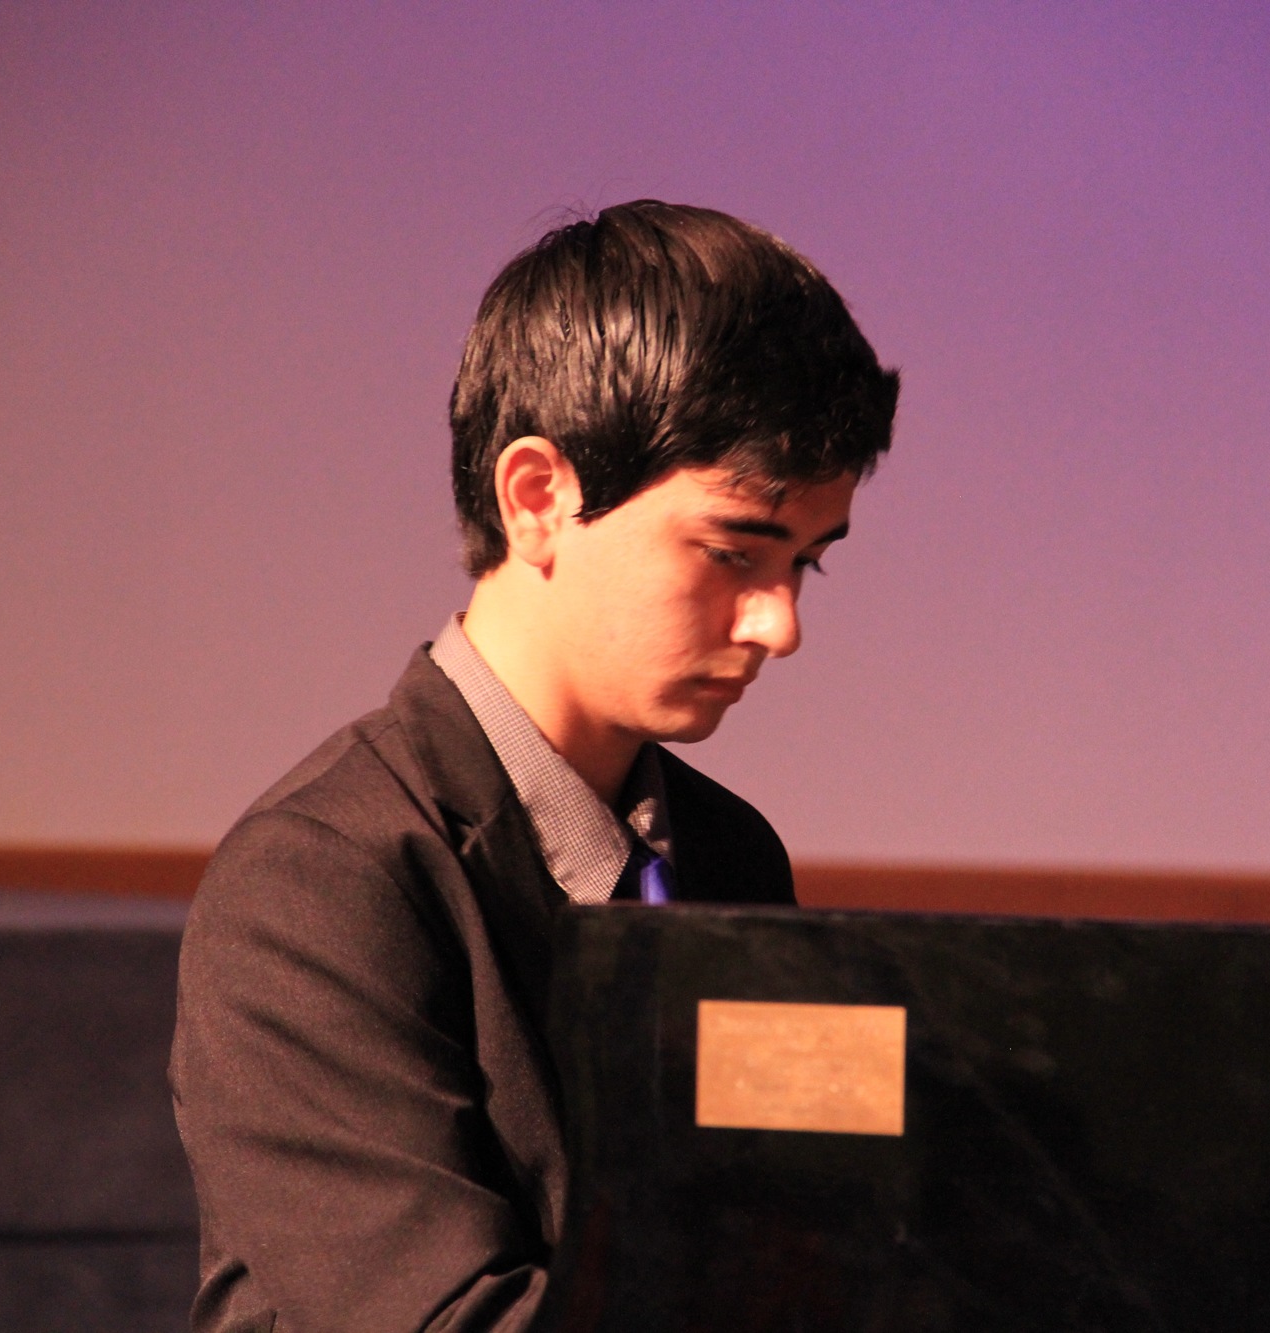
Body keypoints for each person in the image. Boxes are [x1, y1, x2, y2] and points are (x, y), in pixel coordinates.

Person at [170, 200, 900, 1333]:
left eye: (806, 563)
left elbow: (800, 1235)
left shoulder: (727, 852)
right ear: (535, 497)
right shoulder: (318, 882)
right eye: (734, 551)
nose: (778, 624)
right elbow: (440, 1320)